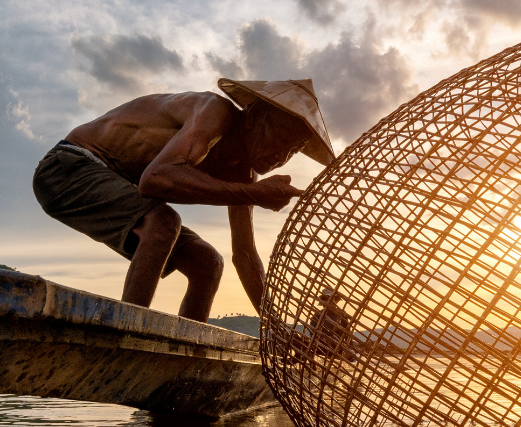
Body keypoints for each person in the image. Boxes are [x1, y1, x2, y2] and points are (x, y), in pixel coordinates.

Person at [33, 79, 335, 322]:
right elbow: (155, 180)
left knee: (208, 263)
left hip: (111, 181)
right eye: (280, 139)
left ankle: (183, 358)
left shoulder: (243, 173)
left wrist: (276, 329)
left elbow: (244, 254)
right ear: (255, 117)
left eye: (292, 150)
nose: (281, 156)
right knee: (163, 223)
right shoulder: (213, 112)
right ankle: (124, 335)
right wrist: (255, 194)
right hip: (68, 167)